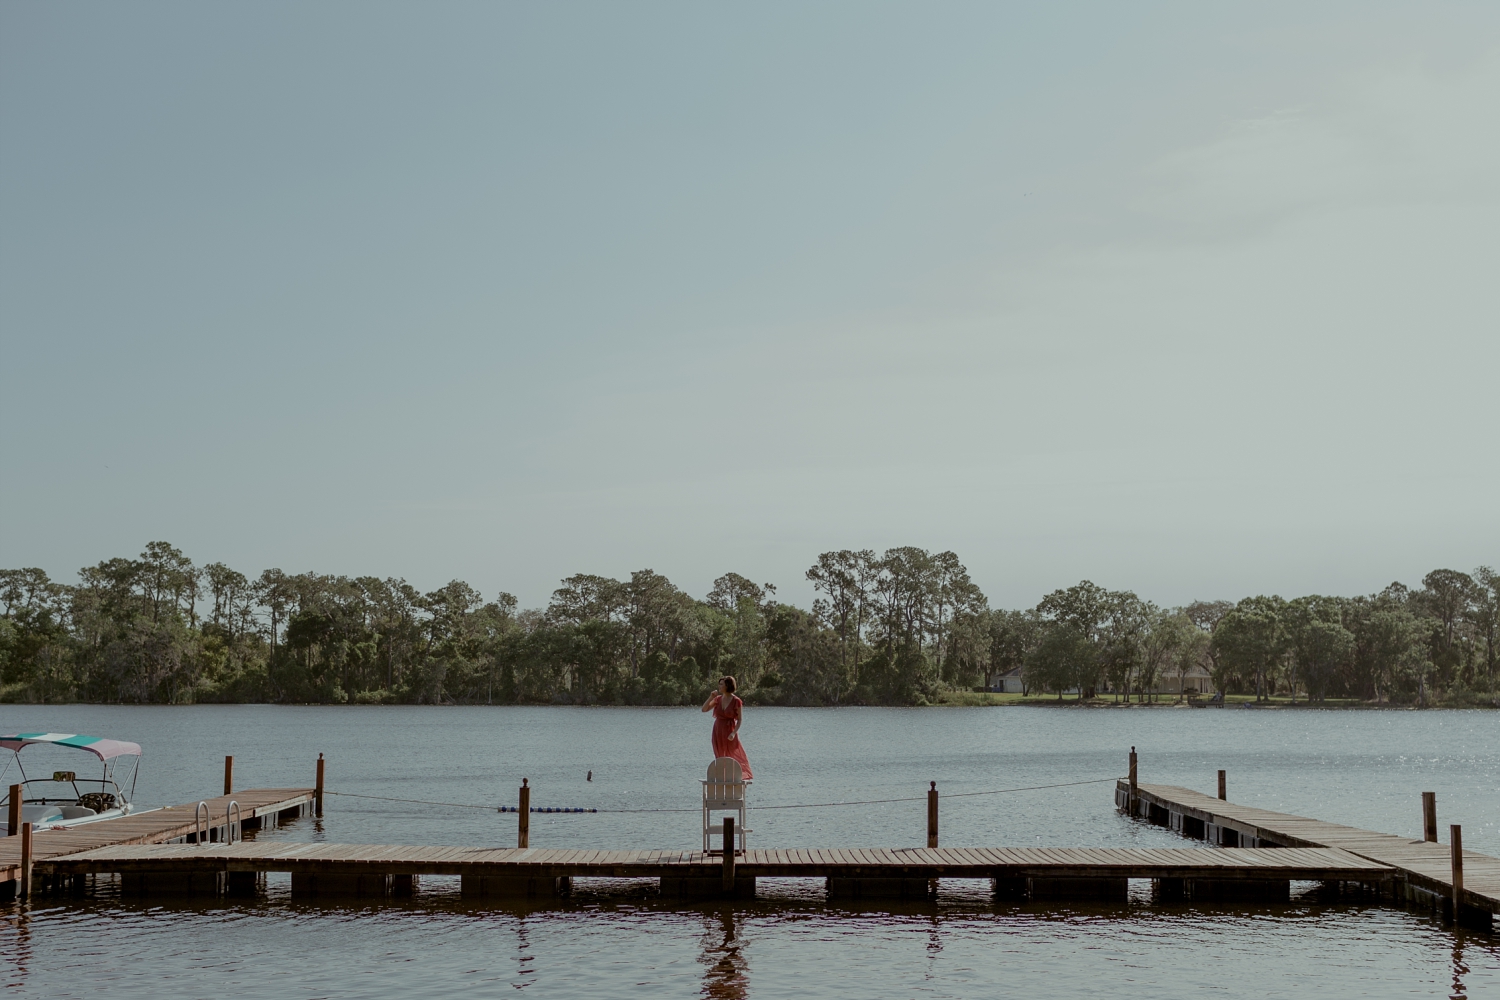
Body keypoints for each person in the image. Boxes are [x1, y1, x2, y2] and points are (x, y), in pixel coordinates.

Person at [701, 675, 753, 780]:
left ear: (728, 685)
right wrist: (711, 697)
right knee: (719, 754)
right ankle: (723, 777)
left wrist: (734, 733)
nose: (719, 686)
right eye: (719, 684)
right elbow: (704, 709)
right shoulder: (717, 699)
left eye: (721, 684)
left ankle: (738, 776)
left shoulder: (736, 701)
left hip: (730, 730)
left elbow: (740, 719)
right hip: (718, 730)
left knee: (733, 753)